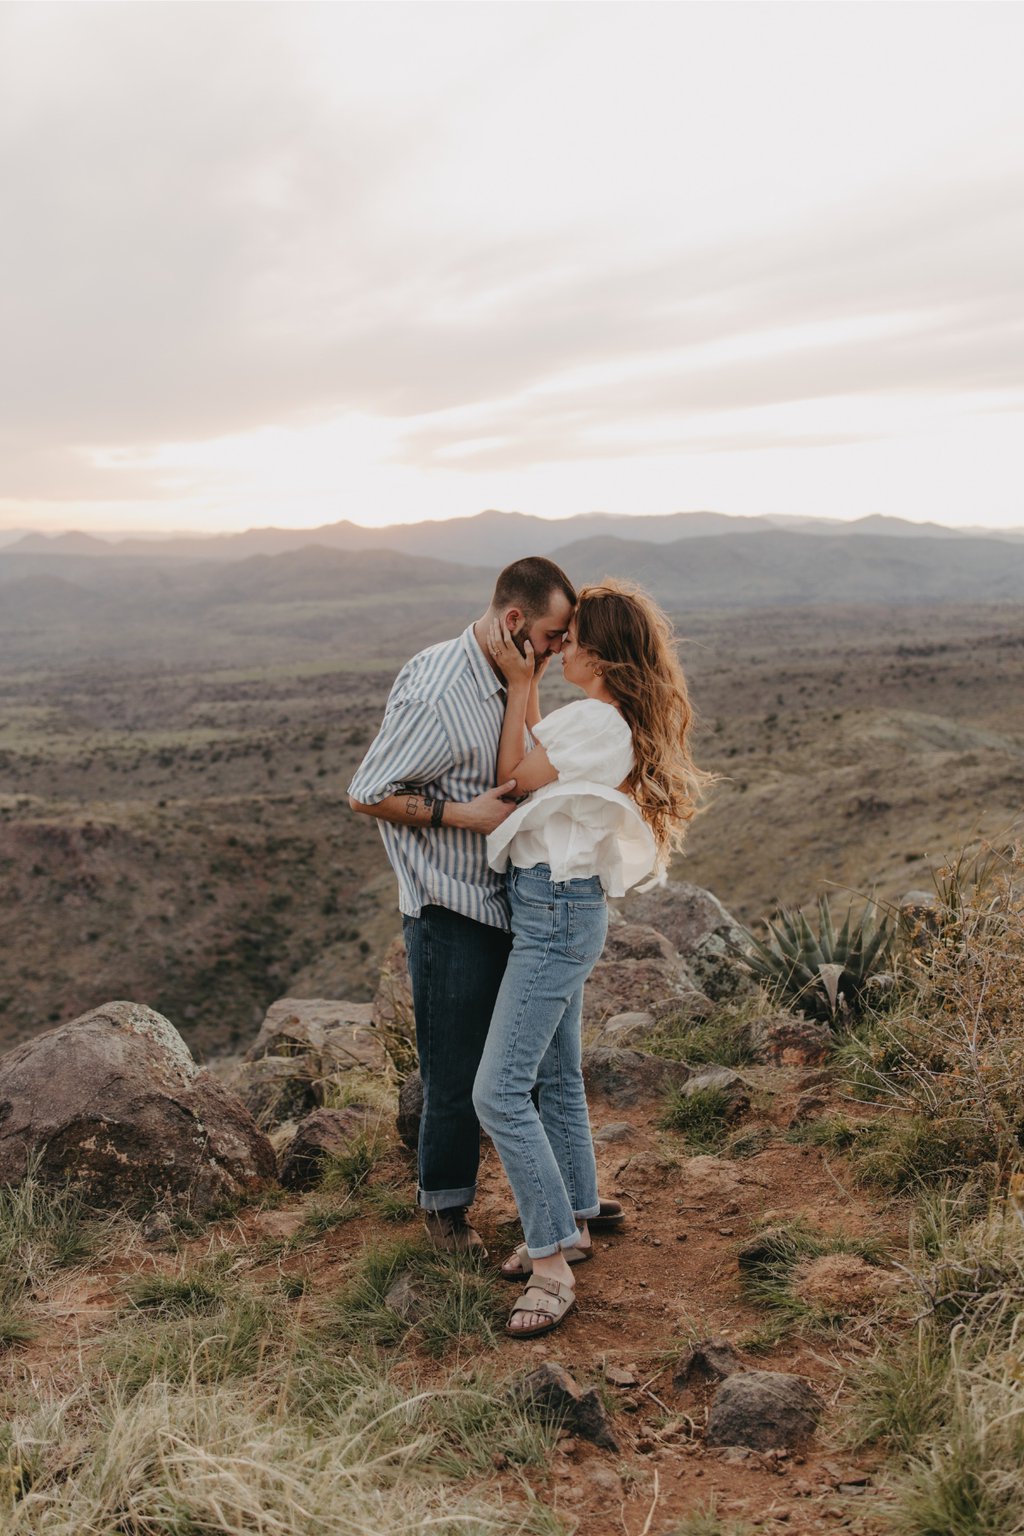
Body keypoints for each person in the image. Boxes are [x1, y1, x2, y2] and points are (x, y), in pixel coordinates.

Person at [474, 580, 708, 1337]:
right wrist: (536, 690)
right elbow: (547, 760)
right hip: (567, 910)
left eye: (570, 638)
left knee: (499, 1091)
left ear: (601, 653)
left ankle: (550, 1265)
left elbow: (512, 776)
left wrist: (521, 684)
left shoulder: (592, 721)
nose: (558, 646)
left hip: (553, 917)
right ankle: (572, 1216)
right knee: (552, 1076)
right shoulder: (602, 724)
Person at [347, 557, 576, 1256]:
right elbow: (366, 791)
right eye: (554, 633)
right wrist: (459, 814)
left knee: (528, 1066)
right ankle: (444, 1215)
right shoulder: (443, 693)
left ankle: (564, 1203)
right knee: (453, 1075)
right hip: (451, 908)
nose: (564, 647)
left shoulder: (510, 676)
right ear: (514, 623)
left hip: (509, 899)